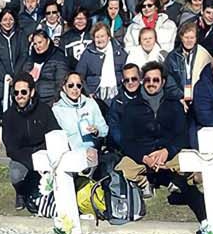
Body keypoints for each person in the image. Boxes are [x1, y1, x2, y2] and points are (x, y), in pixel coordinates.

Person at [117, 62, 190, 196]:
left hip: (168, 155)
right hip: (144, 156)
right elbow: (126, 142)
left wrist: (167, 151)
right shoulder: (131, 107)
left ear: (163, 82)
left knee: (191, 161)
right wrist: (145, 157)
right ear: (142, 81)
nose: (151, 83)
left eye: (156, 80)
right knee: (121, 170)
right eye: (147, 80)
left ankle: (172, 179)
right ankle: (144, 182)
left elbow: (182, 135)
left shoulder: (174, 104)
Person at [2, 73, 61, 209]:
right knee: (16, 174)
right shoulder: (8, 116)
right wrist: (31, 161)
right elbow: (10, 147)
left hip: (43, 152)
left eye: (24, 92)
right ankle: (21, 192)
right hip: (22, 156)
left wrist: (44, 155)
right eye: (16, 92)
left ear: (32, 92)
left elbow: (54, 132)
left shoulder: (44, 110)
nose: (20, 96)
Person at [52, 71, 108, 166]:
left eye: (78, 85)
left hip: (91, 151)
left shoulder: (91, 104)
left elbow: (104, 129)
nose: (75, 89)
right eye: (71, 85)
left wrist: (96, 131)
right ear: (64, 87)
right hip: (69, 154)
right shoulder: (57, 109)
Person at [76, 21, 129, 103]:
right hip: (94, 94)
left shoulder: (119, 52)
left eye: (102, 36)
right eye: (97, 37)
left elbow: (127, 73)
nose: (100, 40)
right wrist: (88, 93)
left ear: (108, 37)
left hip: (117, 92)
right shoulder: (87, 53)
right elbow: (79, 75)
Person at [165, 21, 211, 103]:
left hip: (199, 99)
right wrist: (180, 96)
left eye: (192, 38)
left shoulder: (204, 54)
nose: (189, 40)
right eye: (186, 37)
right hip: (179, 99)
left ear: (196, 38)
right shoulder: (172, 57)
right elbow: (169, 82)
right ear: (181, 37)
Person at [20, 29, 69, 106]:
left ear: (48, 41)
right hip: (32, 100)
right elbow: (23, 77)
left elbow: (61, 84)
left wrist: (52, 104)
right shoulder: (31, 58)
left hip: (50, 100)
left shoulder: (58, 57)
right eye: (35, 44)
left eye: (40, 42)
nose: (38, 46)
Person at [105, 63, 144, 154]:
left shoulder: (148, 97)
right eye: (127, 80)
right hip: (124, 147)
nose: (130, 82)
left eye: (134, 79)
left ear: (140, 79)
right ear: (123, 81)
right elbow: (114, 128)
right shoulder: (117, 102)